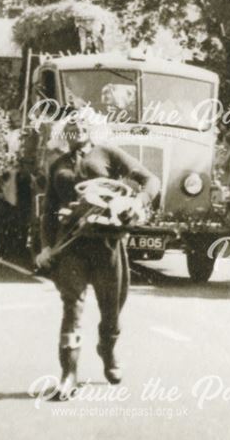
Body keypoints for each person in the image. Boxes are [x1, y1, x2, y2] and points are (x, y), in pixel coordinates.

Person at [36, 119, 160, 395]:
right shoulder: (58, 164)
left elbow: (151, 180)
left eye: (82, 123)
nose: (77, 128)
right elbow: (48, 210)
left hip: (107, 245)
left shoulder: (108, 153)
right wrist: (45, 246)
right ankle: (69, 374)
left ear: (90, 128)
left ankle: (107, 349)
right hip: (71, 246)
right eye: (70, 125)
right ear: (64, 133)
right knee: (72, 307)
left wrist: (138, 202)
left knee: (111, 311)